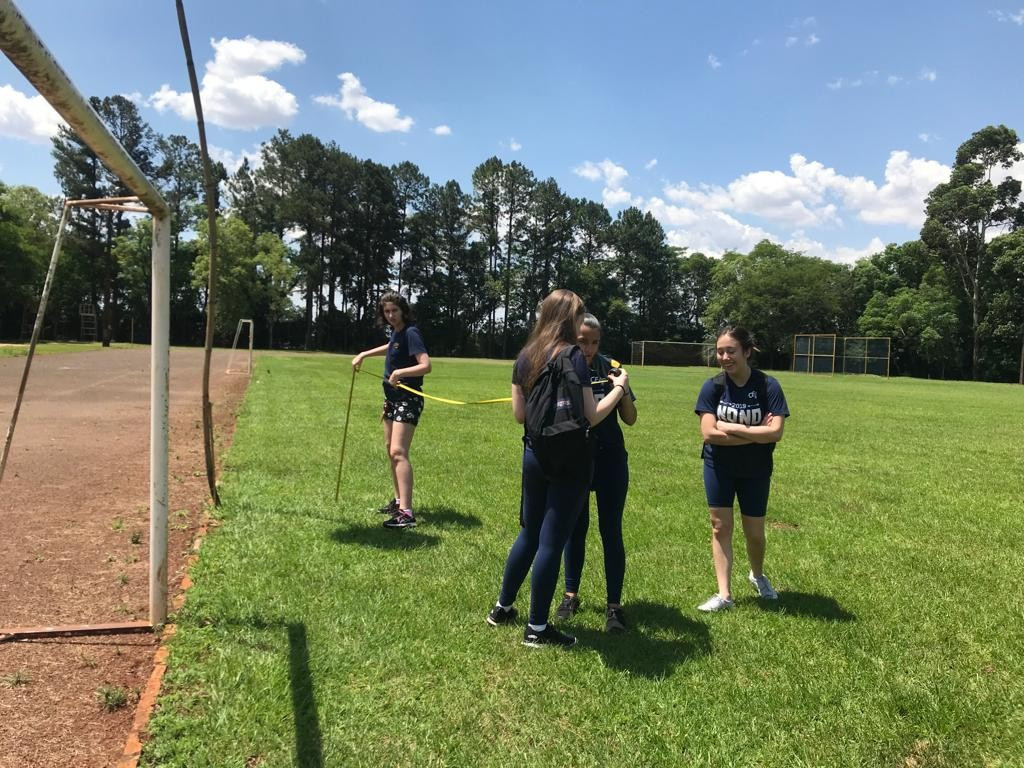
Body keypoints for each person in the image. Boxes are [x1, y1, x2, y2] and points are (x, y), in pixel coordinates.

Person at [487, 290, 630, 648]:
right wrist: (619, 389)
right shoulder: (572, 355)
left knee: (529, 534)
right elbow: (591, 416)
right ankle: (537, 628)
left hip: (534, 453)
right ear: (569, 318)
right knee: (552, 542)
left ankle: (502, 608)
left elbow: (519, 415)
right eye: (579, 314)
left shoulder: (525, 356)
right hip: (570, 457)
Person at [694, 325, 789, 612]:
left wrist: (731, 427)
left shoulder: (768, 386)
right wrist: (756, 434)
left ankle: (757, 575)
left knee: (755, 533)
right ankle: (725, 595)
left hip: (756, 469)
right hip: (718, 466)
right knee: (719, 527)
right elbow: (709, 434)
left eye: (731, 351)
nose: (724, 357)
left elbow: (776, 433)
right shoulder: (712, 387)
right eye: (720, 352)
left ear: (747, 352)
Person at [556, 314, 637, 633]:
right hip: (576, 459)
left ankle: (614, 606)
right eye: (582, 342)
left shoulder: (611, 368)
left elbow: (630, 418)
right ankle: (570, 596)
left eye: (594, 342)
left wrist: (623, 389)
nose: (589, 349)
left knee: (611, 530)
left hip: (610, 459)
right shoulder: (564, 366)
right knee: (575, 529)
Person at [351, 291, 431, 529]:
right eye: (386, 311)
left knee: (398, 451)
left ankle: (406, 513)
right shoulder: (397, 333)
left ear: (403, 310)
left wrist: (400, 373)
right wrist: (364, 354)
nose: (390, 315)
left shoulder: (412, 332)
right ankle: (398, 502)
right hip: (392, 399)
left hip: (408, 398)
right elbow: (391, 347)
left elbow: (426, 365)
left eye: (394, 310)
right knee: (390, 450)